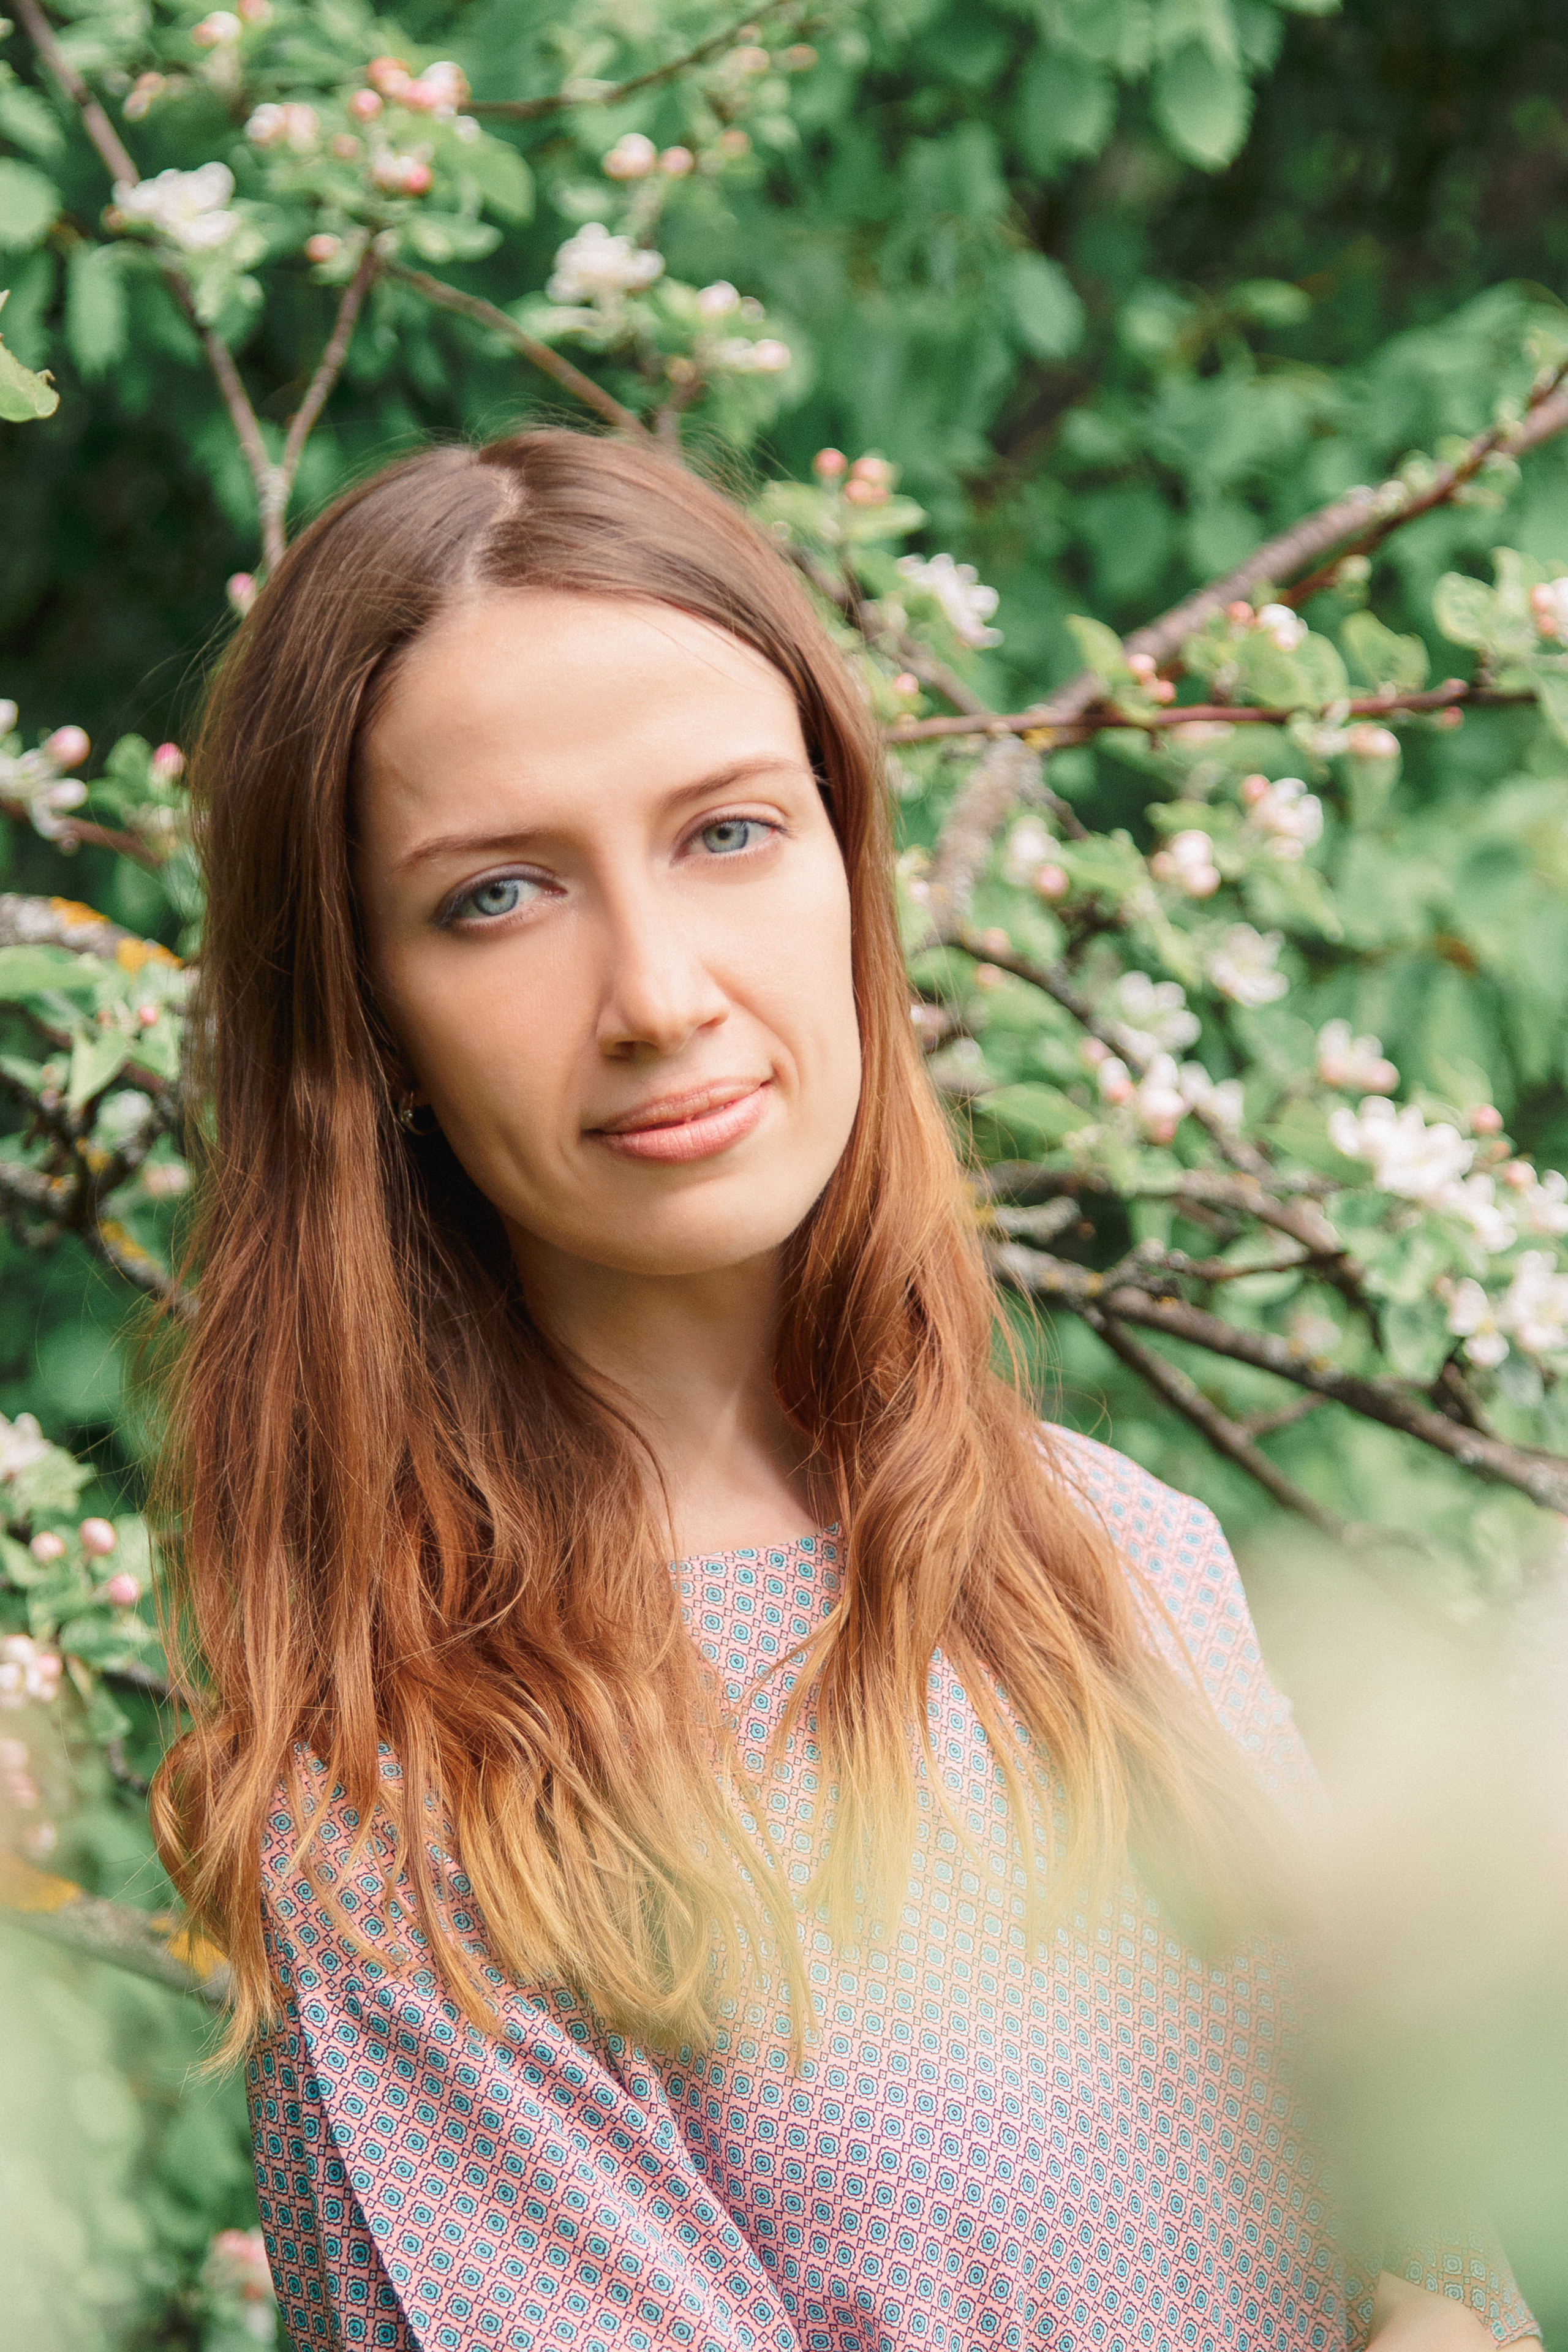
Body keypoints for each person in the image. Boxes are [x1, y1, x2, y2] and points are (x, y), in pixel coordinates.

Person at [151, 429, 1539, 2351]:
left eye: (727, 832)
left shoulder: (1122, 1555)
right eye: (498, 896)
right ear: (365, 1016)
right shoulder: (412, 1821)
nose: (659, 991)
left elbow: (1447, 2264)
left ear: (846, 865)